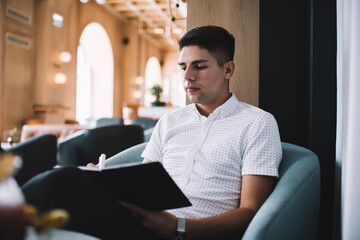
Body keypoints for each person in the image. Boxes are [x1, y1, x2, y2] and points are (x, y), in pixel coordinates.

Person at [22, 25, 282, 240]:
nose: (187, 77)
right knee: (66, 178)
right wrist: (104, 181)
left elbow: (252, 210)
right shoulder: (170, 121)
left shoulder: (257, 123)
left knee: (62, 183)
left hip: (183, 232)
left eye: (199, 66)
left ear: (228, 70)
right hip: (139, 222)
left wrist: (176, 226)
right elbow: (142, 182)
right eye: (182, 67)